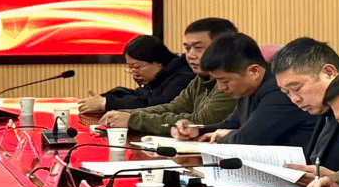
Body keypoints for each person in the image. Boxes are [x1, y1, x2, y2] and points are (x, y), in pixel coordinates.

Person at [172, 33, 316, 147]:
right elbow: (232, 124)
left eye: (225, 81)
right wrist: (197, 129)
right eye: (216, 81)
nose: (221, 88)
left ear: (254, 71)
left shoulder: (279, 90)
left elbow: (247, 139)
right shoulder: (249, 89)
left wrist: (226, 136)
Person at [99, 18, 238, 134]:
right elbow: (174, 107)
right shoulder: (201, 78)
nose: (190, 55)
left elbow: (200, 122)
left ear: (222, 48)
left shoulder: (231, 81)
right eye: (187, 48)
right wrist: (126, 114)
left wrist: (133, 120)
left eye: (198, 48)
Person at [270, 37, 339, 183]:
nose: (294, 99)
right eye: (286, 92)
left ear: (329, 72)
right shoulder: (323, 110)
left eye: (297, 88)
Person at [78, 35, 193, 115]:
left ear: (158, 62)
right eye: (130, 67)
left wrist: (105, 103)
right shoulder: (159, 76)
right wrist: (104, 98)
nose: (134, 73)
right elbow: (139, 96)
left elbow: (154, 106)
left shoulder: (183, 77)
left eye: (137, 67)